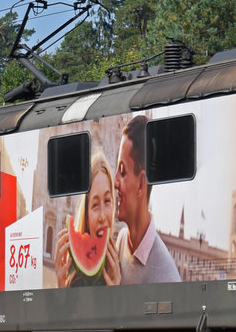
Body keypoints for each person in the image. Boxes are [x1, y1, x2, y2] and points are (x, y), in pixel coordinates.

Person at [114, 115, 181, 284]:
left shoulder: (167, 278)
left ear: (141, 184)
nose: (115, 182)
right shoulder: (121, 240)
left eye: (122, 171)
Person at [56, 151, 122, 286]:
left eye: (107, 201)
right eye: (95, 205)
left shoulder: (121, 271)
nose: (102, 216)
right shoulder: (73, 277)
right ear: (86, 215)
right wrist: (60, 290)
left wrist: (116, 295)